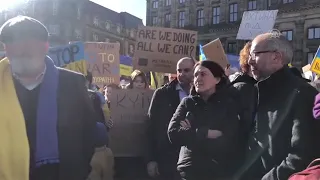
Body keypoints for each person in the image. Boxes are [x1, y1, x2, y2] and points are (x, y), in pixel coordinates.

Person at [0, 16, 96, 180]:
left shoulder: (72, 82)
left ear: (45, 46)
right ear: (6, 49)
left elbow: (88, 132)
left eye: (31, 41)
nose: (24, 49)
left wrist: (79, 169)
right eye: (16, 42)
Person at [236, 32, 320, 180]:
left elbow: (301, 156)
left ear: (276, 56)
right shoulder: (257, 91)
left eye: (255, 54)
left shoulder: (303, 94)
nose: (249, 61)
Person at [167, 61, 241, 180]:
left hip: (218, 170)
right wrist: (206, 133)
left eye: (203, 74)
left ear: (217, 79)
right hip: (189, 170)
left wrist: (190, 133)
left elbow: (229, 139)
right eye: (196, 75)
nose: (198, 78)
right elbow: (173, 134)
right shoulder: (188, 103)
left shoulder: (228, 104)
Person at [147, 57, 195, 180]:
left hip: (193, 159)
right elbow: (151, 127)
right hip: (167, 158)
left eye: (186, 70)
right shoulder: (162, 94)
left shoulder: (202, 94)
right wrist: (151, 159)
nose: (181, 74)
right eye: (179, 70)